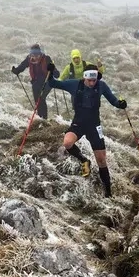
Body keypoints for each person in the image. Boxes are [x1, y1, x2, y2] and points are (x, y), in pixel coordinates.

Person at [47, 67, 128, 197]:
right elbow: (54, 84)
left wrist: (121, 104)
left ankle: (108, 193)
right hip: (78, 123)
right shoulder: (74, 84)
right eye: (90, 80)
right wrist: (50, 74)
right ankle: (84, 160)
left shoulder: (101, 85)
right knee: (67, 143)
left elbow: (113, 100)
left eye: (94, 80)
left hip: (94, 125)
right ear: (84, 77)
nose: (92, 83)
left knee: (101, 160)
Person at [11, 44, 57, 118]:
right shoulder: (29, 59)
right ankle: (40, 117)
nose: (35, 57)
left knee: (41, 98)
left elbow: (57, 74)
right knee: (37, 101)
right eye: (33, 55)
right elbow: (22, 66)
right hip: (36, 83)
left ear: (40, 54)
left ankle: (44, 118)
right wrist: (16, 70)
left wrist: (53, 70)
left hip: (47, 82)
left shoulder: (46, 59)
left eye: (37, 55)